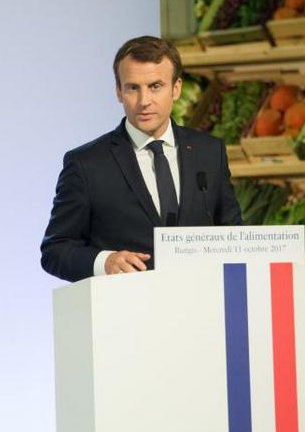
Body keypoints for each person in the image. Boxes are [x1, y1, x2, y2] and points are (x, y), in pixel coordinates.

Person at [40, 36, 242, 282]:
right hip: (125, 312)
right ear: (118, 92)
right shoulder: (86, 164)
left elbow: (233, 235)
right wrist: (105, 262)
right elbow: (55, 250)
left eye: (155, 86)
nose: (144, 101)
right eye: (133, 88)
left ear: (176, 88)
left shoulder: (209, 152)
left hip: (201, 308)